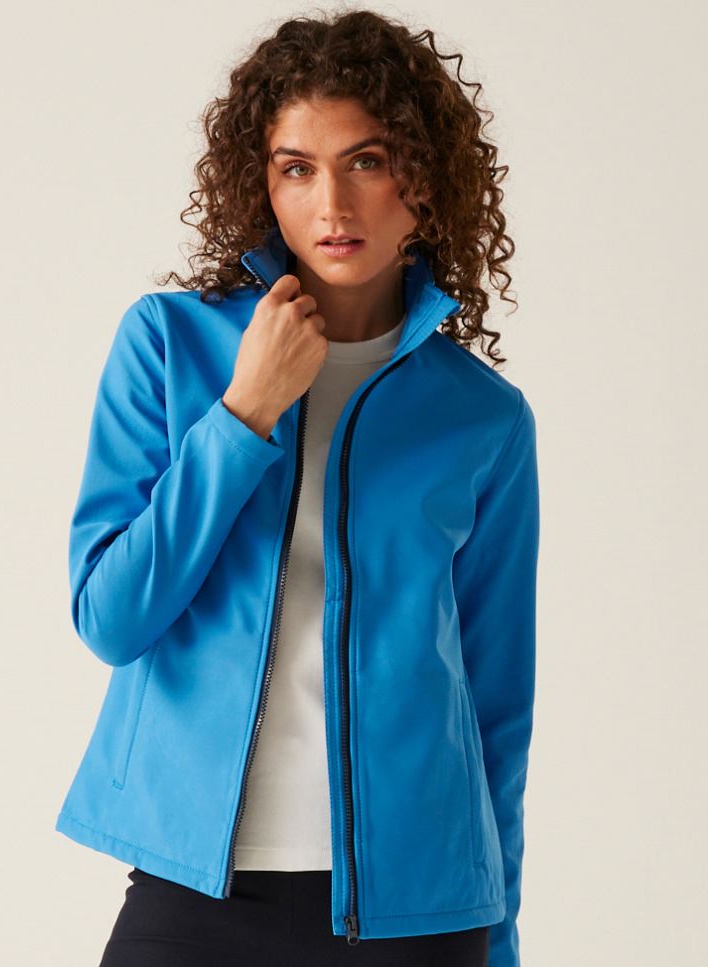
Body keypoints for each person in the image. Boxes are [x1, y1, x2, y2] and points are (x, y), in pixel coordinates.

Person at [54, 9, 540, 967]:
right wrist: (244, 414)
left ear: (424, 178)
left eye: (368, 161)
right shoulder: (168, 345)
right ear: (262, 184)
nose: (333, 203)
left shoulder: (483, 418)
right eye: (296, 168)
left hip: (418, 908)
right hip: (198, 890)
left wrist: (500, 936)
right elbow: (111, 617)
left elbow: (496, 708)